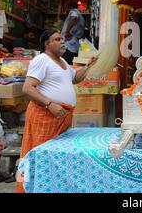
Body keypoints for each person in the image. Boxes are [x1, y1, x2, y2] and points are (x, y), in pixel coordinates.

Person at [14, 29, 97, 193]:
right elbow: (28, 88)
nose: (62, 42)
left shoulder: (63, 62)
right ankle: (33, 188)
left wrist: (88, 66)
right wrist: (49, 104)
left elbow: (75, 78)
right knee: (40, 155)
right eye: (57, 39)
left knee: (54, 157)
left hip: (61, 116)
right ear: (47, 44)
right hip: (45, 115)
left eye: (62, 39)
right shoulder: (42, 60)